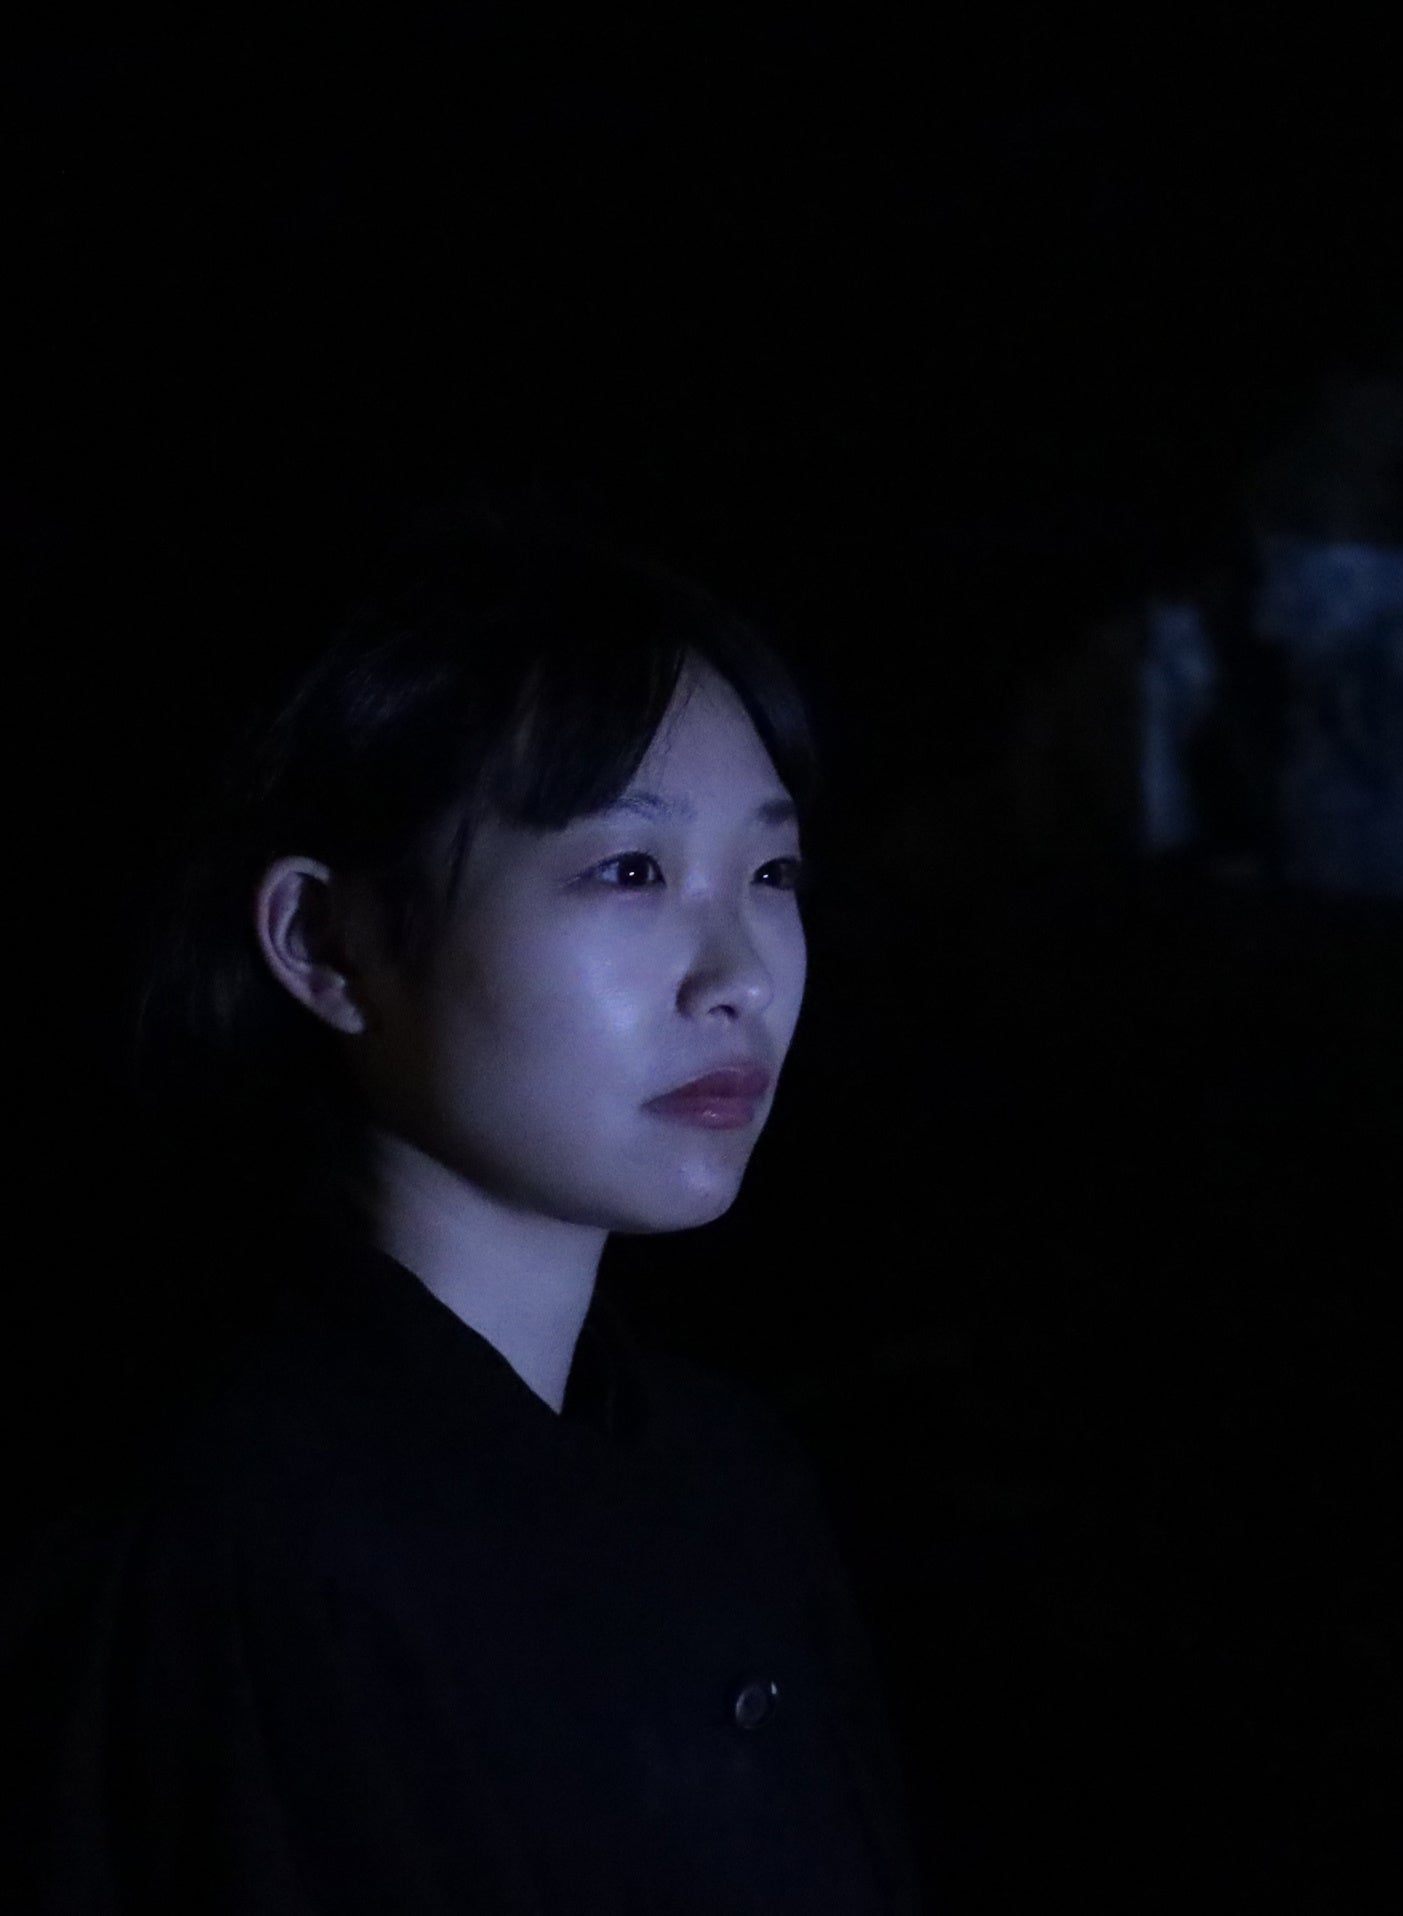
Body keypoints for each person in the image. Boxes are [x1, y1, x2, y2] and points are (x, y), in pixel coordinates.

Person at [2, 497, 922, 1913]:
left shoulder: (727, 1470)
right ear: (325, 941)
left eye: (772, 872)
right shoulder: (249, 1552)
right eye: (629, 871)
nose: (738, 972)